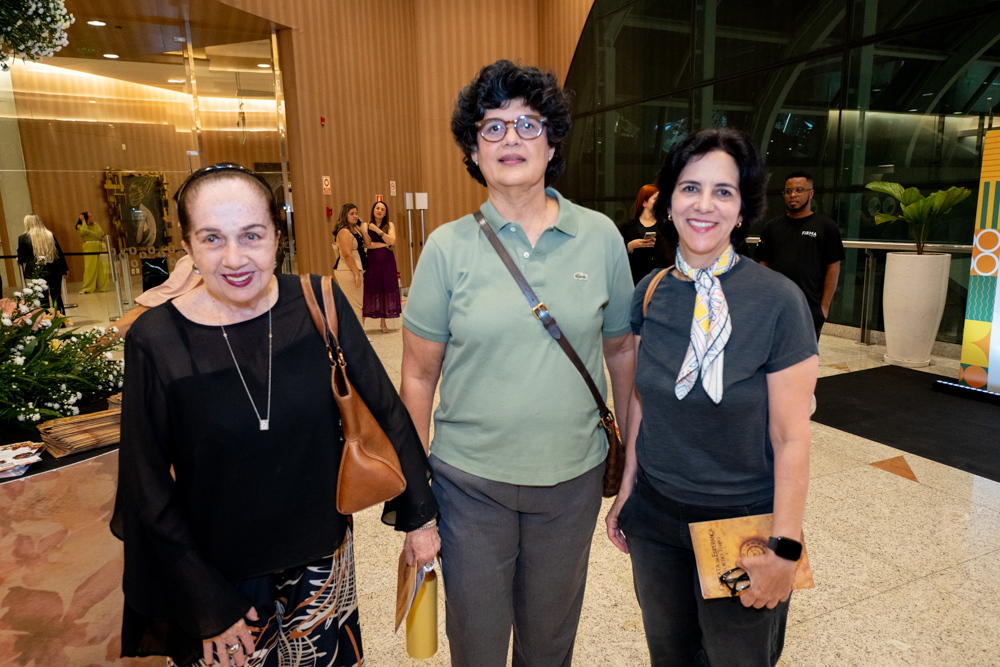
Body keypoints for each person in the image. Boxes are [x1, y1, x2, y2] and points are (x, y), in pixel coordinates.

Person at [111, 163, 440, 667]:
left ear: (277, 234)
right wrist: (203, 602)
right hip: (220, 579)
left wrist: (421, 519)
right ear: (187, 242)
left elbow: (386, 409)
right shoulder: (156, 341)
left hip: (322, 565)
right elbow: (145, 487)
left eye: (252, 235)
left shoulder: (318, 303)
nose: (235, 258)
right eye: (212, 238)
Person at [400, 60, 635, 667]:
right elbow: (419, 375)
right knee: (475, 643)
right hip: (468, 486)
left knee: (550, 642)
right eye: (493, 127)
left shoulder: (601, 237)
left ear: (552, 141)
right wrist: (415, 501)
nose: (510, 140)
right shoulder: (447, 248)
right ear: (473, 149)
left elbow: (621, 353)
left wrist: (631, 465)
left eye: (528, 124)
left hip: (572, 482)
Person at [604, 129, 818, 667]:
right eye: (690, 188)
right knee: (669, 656)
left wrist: (785, 550)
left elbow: (792, 436)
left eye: (723, 192)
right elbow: (644, 401)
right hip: (655, 518)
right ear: (668, 203)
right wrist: (627, 489)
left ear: (743, 209)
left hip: (741, 522)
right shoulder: (650, 291)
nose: (704, 205)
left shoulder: (778, 301)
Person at [755, 170, 845, 339]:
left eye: (799, 190)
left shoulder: (826, 226)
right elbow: (763, 265)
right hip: (776, 306)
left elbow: (833, 267)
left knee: (804, 361)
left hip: (809, 307)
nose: (793, 195)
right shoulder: (772, 226)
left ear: (811, 193)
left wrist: (823, 308)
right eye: (788, 191)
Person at [619, 184, 675, 286]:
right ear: (644, 202)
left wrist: (659, 246)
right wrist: (631, 246)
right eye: (655, 199)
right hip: (634, 280)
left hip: (659, 281)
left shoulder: (664, 226)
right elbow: (616, 255)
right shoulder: (628, 227)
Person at [362, 200, 402, 333]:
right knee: (369, 290)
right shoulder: (365, 225)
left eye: (382, 209)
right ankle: (362, 323)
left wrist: (377, 231)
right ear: (373, 210)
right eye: (377, 208)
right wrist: (382, 244)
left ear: (385, 213)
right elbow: (366, 244)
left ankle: (383, 324)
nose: (379, 210)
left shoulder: (389, 225)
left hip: (387, 262)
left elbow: (392, 241)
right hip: (372, 262)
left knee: (385, 290)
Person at [17, 215, 68, 313]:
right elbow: (59, 253)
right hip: (54, 269)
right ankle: (60, 320)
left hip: (38, 270)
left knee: (42, 297)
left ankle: (46, 321)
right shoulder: (49, 234)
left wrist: (19, 259)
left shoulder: (23, 237)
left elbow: (22, 257)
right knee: (56, 296)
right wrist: (65, 268)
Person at [332, 202, 366, 324]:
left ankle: (357, 335)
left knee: (356, 303)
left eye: (356, 213)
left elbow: (367, 243)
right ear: (344, 215)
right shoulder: (344, 232)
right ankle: (358, 336)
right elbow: (347, 254)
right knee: (355, 305)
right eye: (351, 214)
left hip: (353, 269)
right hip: (348, 270)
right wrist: (356, 273)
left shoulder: (354, 230)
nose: (355, 216)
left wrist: (361, 229)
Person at [76, 212, 109, 293]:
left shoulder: (96, 224)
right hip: (89, 248)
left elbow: (100, 233)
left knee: (102, 268)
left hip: (100, 247)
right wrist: (83, 222)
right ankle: (88, 288)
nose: (92, 217)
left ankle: (102, 287)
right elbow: (84, 232)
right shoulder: (80, 226)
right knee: (90, 268)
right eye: (90, 216)